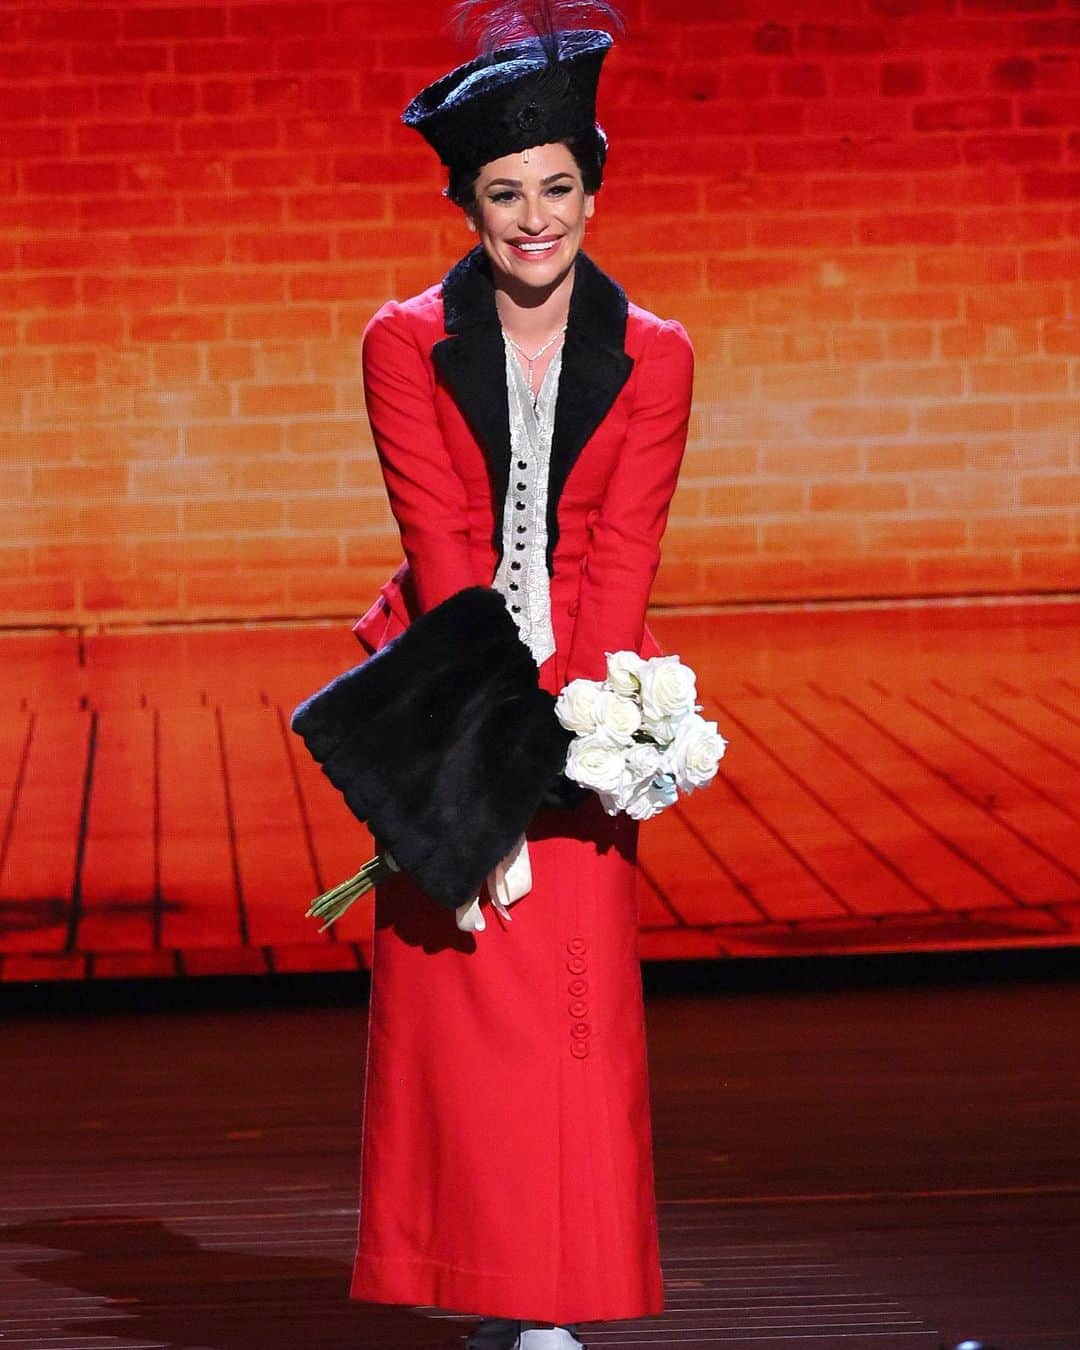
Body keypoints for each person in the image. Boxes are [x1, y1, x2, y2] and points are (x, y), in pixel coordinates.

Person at [346, 5, 694, 1347]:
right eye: (505, 193)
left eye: (557, 188)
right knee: (460, 998)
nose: (534, 217)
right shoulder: (402, 341)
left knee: (572, 1004)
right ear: (470, 202)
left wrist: (573, 725)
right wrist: (485, 755)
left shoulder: (655, 352)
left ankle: (557, 1295)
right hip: (450, 682)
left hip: (593, 695)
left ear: (592, 189)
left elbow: (621, 559)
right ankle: (485, 1286)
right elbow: (442, 552)